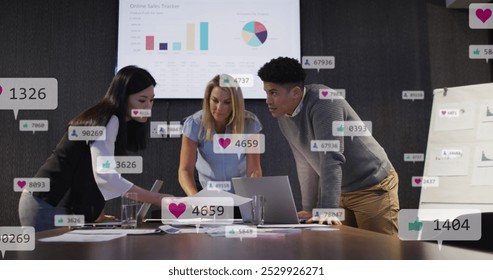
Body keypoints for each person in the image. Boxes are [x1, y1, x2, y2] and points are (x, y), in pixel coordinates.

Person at [18, 66, 172, 231]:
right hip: (45, 204)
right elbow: (105, 175)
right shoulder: (109, 120)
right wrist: (156, 199)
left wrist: (98, 214)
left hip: (50, 203)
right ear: (123, 97)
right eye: (142, 100)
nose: (148, 107)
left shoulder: (113, 121)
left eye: (151, 100)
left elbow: (90, 173)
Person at [257, 57, 399, 235]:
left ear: (295, 92)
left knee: (381, 255)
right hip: (339, 191)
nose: (268, 100)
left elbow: (331, 157)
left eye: (274, 93)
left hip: (372, 186)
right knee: (350, 255)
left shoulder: (324, 102)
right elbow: (305, 162)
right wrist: (310, 208)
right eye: (267, 93)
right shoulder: (284, 116)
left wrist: (327, 209)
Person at [178, 74, 263, 196]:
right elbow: (184, 170)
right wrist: (195, 198)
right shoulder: (194, 124)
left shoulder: (250, 124)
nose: (219, 108)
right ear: (208, 99)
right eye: (215, 101)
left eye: (227, 102)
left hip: (241, 193)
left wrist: (252, 199)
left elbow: (254, 170)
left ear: (235, 103)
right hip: (207, 193)